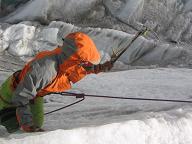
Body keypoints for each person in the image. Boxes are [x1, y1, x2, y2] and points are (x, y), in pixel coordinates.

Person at [0, 32, 113, 133]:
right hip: (13, 92)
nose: (87, 65)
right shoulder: (45, 69)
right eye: (86, 63)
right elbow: (22, 95)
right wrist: (26, 124)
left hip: (35, 93)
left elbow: (78, 70)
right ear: (76, 59)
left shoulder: (67, 60)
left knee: (37, 124)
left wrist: (99, 68)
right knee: (15, 127)